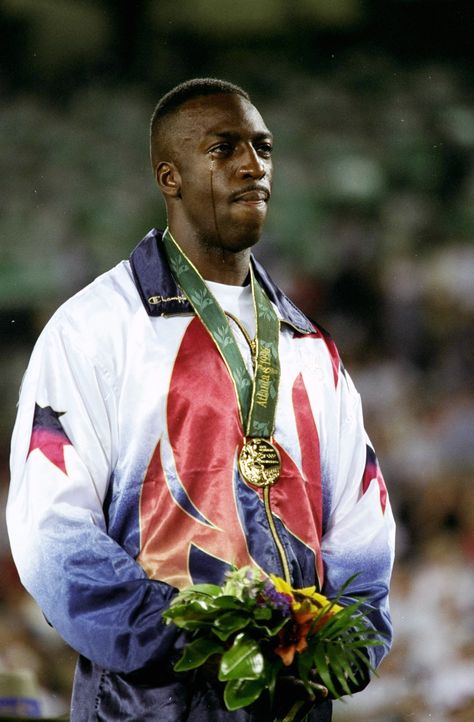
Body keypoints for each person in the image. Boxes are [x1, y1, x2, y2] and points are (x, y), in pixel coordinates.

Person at [7, 78, 395, 721]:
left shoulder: (309, 348)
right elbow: (53, 536)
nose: (253, 165)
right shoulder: (95, 330)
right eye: (223, 148)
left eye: (263, 147)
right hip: (148, 703)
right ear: (170, 176)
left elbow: (362, 528)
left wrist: (336, 646)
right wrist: (198, 640)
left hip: (294, 703)